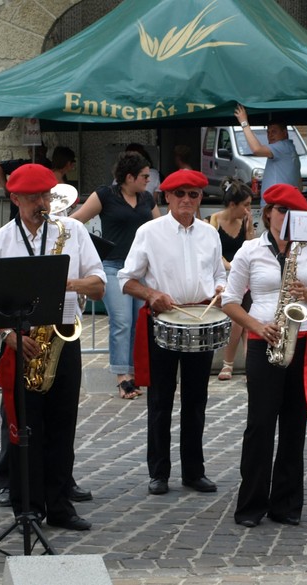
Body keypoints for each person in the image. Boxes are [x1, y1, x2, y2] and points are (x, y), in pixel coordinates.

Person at [0, 163, 106, 531]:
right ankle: (27, 507)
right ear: (15, 198)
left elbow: (99, 284)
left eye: (46, 195)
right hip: (22, 343)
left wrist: (69, 285)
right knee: (25, 429)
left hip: (63, 338)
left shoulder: (73, 231)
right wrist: (10, 336)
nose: (42, 203)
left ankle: (59, 504)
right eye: (34, 197)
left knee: (62, 427)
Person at [224, 183, 307, 528]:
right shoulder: (249, 250)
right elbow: (230, 301)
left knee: (293, 424)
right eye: (281, 211)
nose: (287, 218)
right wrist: (256, 326)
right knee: (260, 424)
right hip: (265, 340)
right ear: (269, 213)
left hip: (304, 341)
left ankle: (287, 504)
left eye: (294, 213)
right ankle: (251, 504)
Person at [119, 169, 226, 496]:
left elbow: (219, 273)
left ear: (200, 199)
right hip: (163, 320)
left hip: (200, 321)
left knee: (196, 401)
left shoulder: (210, 233)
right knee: (160, 400)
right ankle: (159, 472)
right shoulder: (149, 231)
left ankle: (194, 471)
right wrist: (152, 295)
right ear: (167, 197)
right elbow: (126, 279)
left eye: (193, 195)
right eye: (180, 194)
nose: (186, 200)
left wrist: (222, 289)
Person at [71, 151, 161, 398]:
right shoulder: (105, 195)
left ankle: (135, 371)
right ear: (129, 177)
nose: (148, 180)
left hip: (141, 269)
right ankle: (123, 377)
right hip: (112, 266)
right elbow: (76, 222)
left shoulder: (146, 199)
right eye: (144, 176)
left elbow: (161, 229)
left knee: (138, 323)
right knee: (121, 321)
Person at [209, 178, 255, 380]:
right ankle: (233, 363)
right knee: (239, 316)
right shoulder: (213, 220)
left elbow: (252, 249)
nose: (248, 210)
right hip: (222, 276)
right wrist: (232, 266)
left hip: (242, 278)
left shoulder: (245, 222)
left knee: (246, 312)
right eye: (245, 205)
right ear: (232, 204)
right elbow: (213, 252)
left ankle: (247, 362)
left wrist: (251, 231)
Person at [234, 104, 300, 198]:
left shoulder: (282, 146)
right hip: (279, 204)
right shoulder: (291, 150)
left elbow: (256, 149)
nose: (270, 135)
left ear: (285, 133)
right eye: (268, 132)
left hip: (274, 206)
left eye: (274, 132)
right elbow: (299, 186)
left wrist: (244, 122)